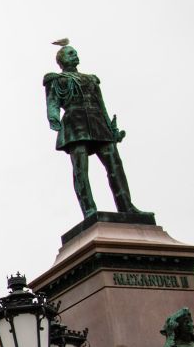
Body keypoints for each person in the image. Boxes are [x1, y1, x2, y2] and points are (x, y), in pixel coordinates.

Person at [43, 41, 144, 219]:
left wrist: (112, 128)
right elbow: (52, 102)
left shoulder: (91, 79)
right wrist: (53, 117)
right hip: (75, 124)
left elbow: (101, 104)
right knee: (81, 169)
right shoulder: (56, 80)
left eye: (75, 52)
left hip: (98, 123)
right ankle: (89, 210)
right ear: (61, 60)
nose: (75, 55)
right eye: (70, 53)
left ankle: (127, 206)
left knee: (115, 164)